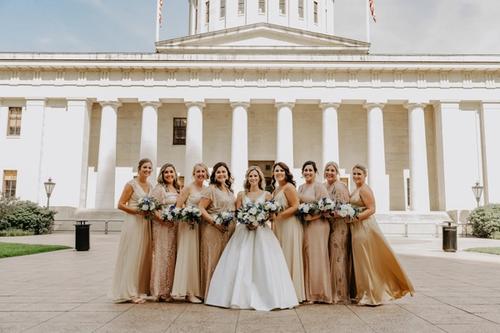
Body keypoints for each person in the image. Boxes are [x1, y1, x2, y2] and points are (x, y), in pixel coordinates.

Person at [205, 166, 298, 311]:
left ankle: (268, 296)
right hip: (244, 231)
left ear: (260, 178)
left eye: (256, 176)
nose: (253, 178)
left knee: (264, 263)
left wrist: (260, 220)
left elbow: (270, 214)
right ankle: (237, 296)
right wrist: (247, 221)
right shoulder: (241, 194)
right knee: (240, 261)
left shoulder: (267, 195)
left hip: (262, 232)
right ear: (247, 179)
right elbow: (237, 213)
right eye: (250, 176)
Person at [349, 164, 415, 305]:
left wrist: (355, 217)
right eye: (354, 173)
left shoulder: (365, 189)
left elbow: (372, 209)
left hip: (364, 227)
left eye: (359, 174)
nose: (356, 176)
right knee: (362, 261)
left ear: (365, 175)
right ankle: (364, 292)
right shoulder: (356, 189)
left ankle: (371, 295)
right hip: (356, 227)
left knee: (366, 261)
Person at [110, 158, 153, 303]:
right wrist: (137, 211)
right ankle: (129, 292)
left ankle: (138, 289)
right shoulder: (131, 185)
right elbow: (120, 204)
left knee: (142, 256)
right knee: (132, 255)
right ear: (139, 168)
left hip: (145, 223)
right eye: (144, 168)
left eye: (149, 168)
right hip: (133, 222)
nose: (147, 170)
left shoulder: (150, 186)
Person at [171, 163, 208, 303]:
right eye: (198, 171)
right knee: (189, 256)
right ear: (194, 173)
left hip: (202, 226)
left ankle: (198, 290)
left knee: (198, 257)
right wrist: (187, 216)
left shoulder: (206, 189)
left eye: (203, 171)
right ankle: (189, 292)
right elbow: (178, 207)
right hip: (188, 226)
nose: (200, 174)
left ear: (206, 174)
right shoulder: (188, 188)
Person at [199, 162, 236, 299]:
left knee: (224, 261)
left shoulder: (230, 190)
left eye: (224, 172)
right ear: (214, 175)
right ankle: (209, 294)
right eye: (219, 172)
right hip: (213, 228)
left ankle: (221, 294)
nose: (222, 174)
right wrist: (214, 222)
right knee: (212, 260)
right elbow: (201, 208)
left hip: (229, 229)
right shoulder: (211, 189)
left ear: (228, 174)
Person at [270, 162, 306, 303]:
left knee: (289, 255)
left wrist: (280, 216)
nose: (278, 172)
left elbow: (296, 206)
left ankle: (294, 292)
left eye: (281, 170)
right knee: (281, 257)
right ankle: (283, 291)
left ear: (286, 172)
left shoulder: (289, 187)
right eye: (276, 170)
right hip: (279, 226)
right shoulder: (275, 190)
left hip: (290, 225)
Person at [298, 161, 332, 304]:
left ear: (315, 171)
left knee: (317, 256)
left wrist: (312, 217)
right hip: (305, 224)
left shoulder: (320, 187)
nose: (307, 172)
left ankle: (318, 294)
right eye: (305, 170)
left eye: (310, 170)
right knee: (307, 256)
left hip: (318, 225)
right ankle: (308, 292)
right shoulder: (300, 187)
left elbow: (327, 208)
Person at [323, 161, 354, 304]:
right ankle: (331, 290)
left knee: (338, 257)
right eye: (327, 170)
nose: (330, 172)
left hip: (340, 226)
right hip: (328, 226)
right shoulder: (324, 186)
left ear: (337, 173)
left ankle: (340, 294)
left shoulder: (340, 187)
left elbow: (344, 210)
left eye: (332, 170)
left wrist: (327, 214)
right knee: (331, 257)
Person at [150, 163, 179, 302]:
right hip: (162, 226)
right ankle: (160, 291)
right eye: (166, 172)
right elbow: (152, 208)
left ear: (175, 173)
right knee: (162, 256)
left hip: (174, 226)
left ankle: (169, 289)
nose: (169, 174)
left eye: (171, 172)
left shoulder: (178, 188)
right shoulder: (159, 189)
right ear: (162, 174)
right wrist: (162, 219)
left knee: (171, 257)